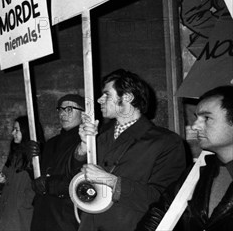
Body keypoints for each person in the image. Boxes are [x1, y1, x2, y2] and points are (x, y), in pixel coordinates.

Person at [72, 69, 187, 231]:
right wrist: (84, 147)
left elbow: (164, 199)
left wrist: (112, 182)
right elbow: (72, 179)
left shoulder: (166, 142)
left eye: (107, 95)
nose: (99, 100)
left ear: (127, 97)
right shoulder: (98, 135)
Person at [138, 85, 233, 230]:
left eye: (206, 118)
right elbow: (161, 212)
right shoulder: (199, 171)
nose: (195, 126)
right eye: (197, 118)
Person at [30, 94, 86, 231]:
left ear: (84, 114)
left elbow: (82, 182)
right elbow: (39, 177)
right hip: (43, 214)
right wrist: (31, 161)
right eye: (60, 109)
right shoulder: (51, 144)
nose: (63, 114)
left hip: (65, 217)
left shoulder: (87, 143)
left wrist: (49, 184)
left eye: (69, 109)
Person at [0, 115, 36, 231]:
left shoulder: (35, 158)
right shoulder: (14, 154)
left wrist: (24, 203)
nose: (13, 133)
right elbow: (4, 184)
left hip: (21, 214)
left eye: (17, 130)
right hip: (6, 210)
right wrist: (2, 181)